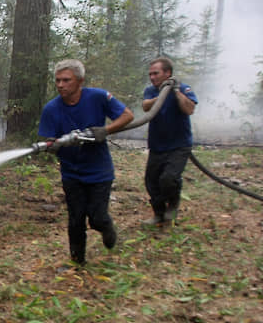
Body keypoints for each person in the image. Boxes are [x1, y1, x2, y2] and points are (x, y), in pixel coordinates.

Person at [38, 59, 134, 266]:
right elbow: (48, 139)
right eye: (57, 81)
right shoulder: (51, 109)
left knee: (97, 217)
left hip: (99, 171)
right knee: (75, 219)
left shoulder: (98, 97)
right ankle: (77, 261)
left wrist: (105, 131)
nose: (61, 85)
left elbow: (128, 116)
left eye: (66, 80)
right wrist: (52, 145)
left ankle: (107, 228)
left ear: (80, 81)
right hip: (71, 173)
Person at [141, 57, 197, 225]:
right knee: (151, 182)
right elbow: (145, 106)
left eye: (156, 73)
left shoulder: (184, 89)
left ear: (168, 73)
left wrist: (175, 91)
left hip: (179, 145)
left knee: (168, 178)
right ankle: (159, 214)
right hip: (157, 145)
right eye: (150, 74)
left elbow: (189, 109)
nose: (152, 77)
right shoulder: (151, 91)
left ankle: (172, 205)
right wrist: (162, 95)